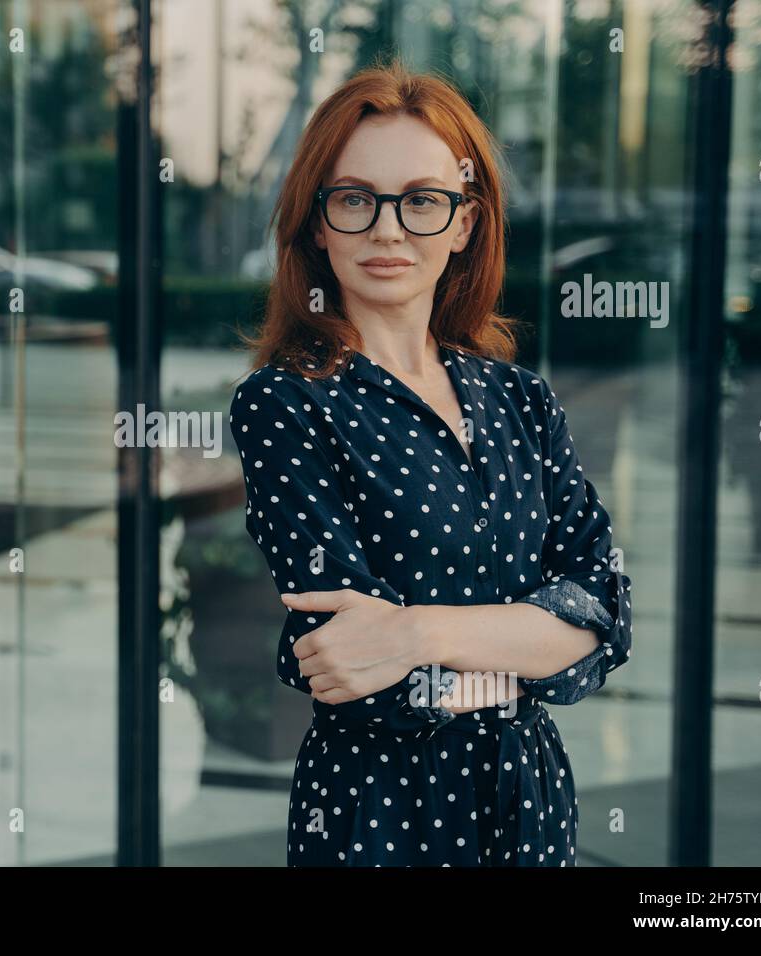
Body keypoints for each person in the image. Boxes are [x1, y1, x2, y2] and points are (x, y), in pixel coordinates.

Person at [228, 60, 633, 867]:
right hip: (380, 808)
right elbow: (351, 668)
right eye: (354, 199)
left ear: (464, 223)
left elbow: (608, 612)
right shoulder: (286, 405)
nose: (388, 230)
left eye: (421, 201)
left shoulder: (522, 399)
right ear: (316, 222)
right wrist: (534, 641)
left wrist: (414, 630)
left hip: (530, 796)